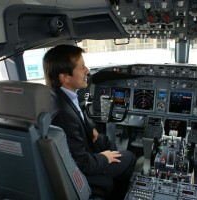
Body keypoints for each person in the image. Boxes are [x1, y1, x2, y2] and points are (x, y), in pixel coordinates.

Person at [43, 44, 136, 199]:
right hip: (82, 169)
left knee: (105, 141)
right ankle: (114, 193)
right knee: (130, 157)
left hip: (83, 149)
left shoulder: (57, 95)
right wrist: (104, 158)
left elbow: (77, 112)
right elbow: (81, 163)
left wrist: (90, 127)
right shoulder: (62, 114)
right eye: (82, 67)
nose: (87, 71)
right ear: (65, 77)